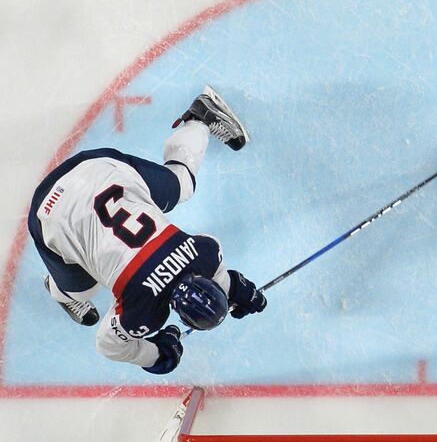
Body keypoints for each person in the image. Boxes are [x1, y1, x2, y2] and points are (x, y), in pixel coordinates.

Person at [28, 86, 266, 375]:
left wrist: (236, 290)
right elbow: (108, 345)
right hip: (50, 208)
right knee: (83, 289)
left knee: (183, 184)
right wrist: (154, 354)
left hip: (98, 167)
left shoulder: (205, 253)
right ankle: (62, 293)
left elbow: (215, 270)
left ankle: (200, 117)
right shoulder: (143, 312)